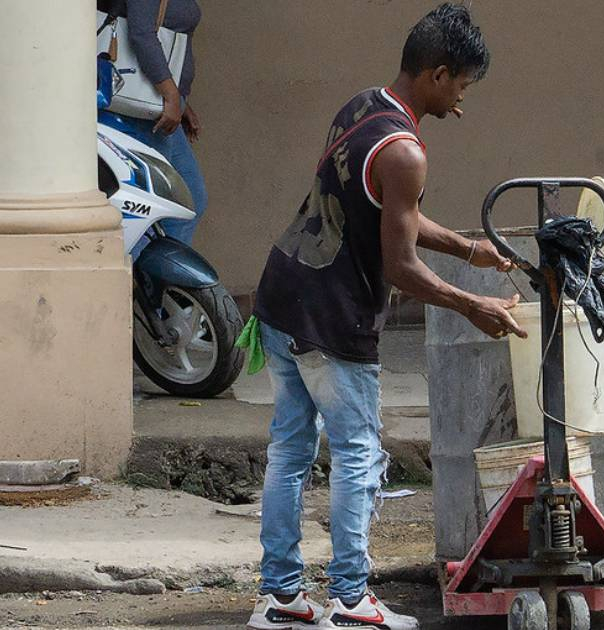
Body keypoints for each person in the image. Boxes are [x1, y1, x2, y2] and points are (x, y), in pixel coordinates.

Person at [245, 5, 525, 629]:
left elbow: (380, 210)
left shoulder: (362, 106)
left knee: (290, 452)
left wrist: (468, 248)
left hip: (282, 295)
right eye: (461, 85)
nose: (462, 100)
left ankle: (280, 598)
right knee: (357, 453)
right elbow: (399, 265)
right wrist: (472, 302)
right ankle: (349, 599)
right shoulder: (405, 153)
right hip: (330, 320)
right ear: (438, 73)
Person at [101, 0, 206, 245]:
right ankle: (131, 277)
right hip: (142, 111)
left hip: (158, 105)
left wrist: (180, 101)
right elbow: (142, 33)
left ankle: (153, 279)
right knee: (151, 208)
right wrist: (169, 94)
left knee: (189, 199)